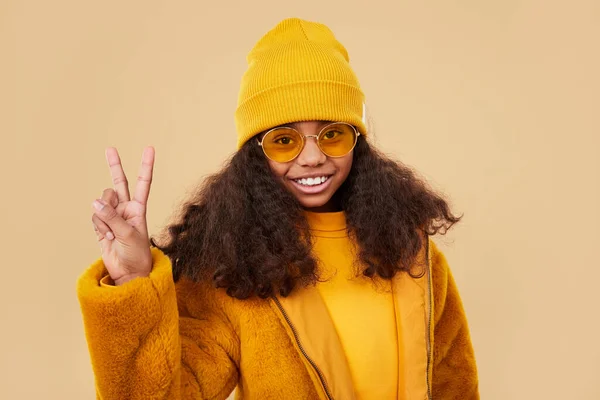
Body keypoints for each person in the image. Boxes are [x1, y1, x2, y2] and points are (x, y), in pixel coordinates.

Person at [78, 17, 479, 400]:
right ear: (254, 154)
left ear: (358, 142)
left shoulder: (415, 257)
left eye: (333, 135)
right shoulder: (231, 271)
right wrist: (132, 281)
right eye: (284, 141)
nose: (312, 157)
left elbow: (456, 387)